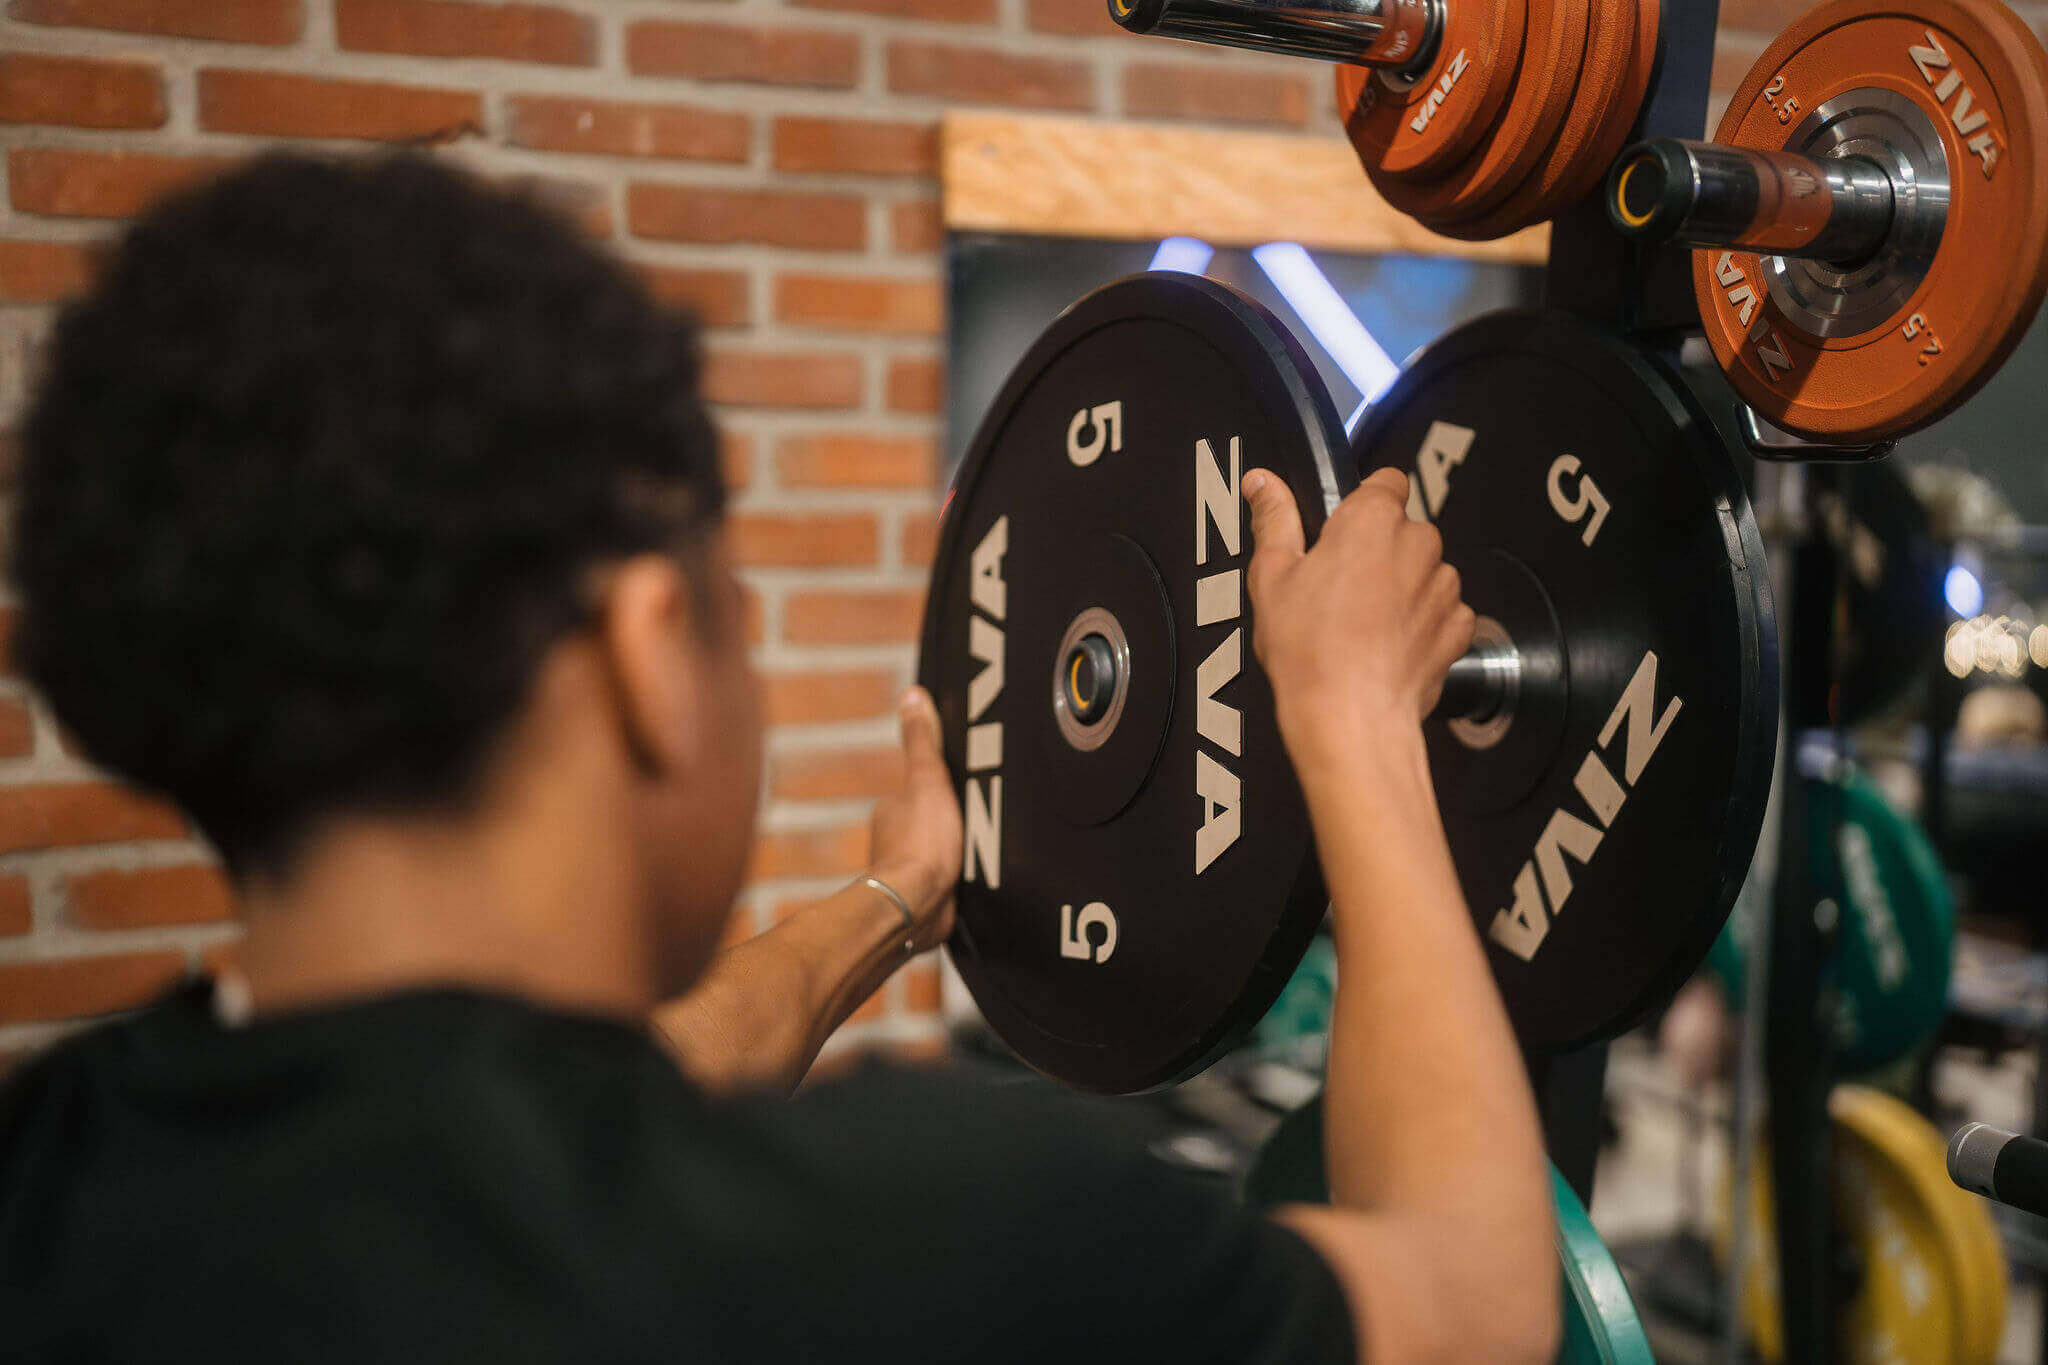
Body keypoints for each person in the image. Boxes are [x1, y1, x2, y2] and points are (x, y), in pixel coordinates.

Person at [0, 154, 1558, 1363]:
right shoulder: (943, 1223)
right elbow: (1474, 1311)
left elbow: (579, 1114)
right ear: (646, 651)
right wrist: (1352, 724)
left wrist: (898, 893)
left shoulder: (59, 1178)